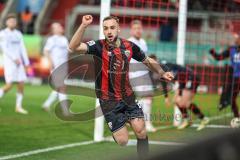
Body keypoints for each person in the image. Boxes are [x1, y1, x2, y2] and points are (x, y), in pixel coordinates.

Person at [68, 15, 174, 159]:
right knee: (123, 141)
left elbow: (147, 60)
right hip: (108, 100)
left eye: (112, 28)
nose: (109, 31)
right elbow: (73, 47)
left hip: (128, 96)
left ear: (118, 29)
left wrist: (161, 72)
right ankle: (119, 123)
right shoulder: (97, 46)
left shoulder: (129, 46)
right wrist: (83, 25)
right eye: (105, 28)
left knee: (141, 131)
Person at [149, 55, 209, 131]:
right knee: (177, 101)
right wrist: (166, 97)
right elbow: (163, 82)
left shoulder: (166, 66)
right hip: (183, 81)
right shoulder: (159, 70)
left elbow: (181, 76)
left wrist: (180, 93)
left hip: (191, 78)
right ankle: (187, 120)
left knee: (186, 103)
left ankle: (203, 118)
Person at [128, 20, 156, 132]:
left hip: (144, 74)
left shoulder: (143, 42)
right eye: (135, 28)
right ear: (131, 30)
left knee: (147, 98)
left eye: (139, 28)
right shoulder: (129, 42)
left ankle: (137, 120)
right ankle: (146, 123)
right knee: (146, 98)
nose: (138, 30)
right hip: (135, 74)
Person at [0, 14, 30, 114]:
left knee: (21, 83)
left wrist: (26, 62)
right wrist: (14, 58)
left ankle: (18, 107)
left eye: (14, 21)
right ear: (6, 22)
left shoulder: (18, 34)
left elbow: (23, 49)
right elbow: (5, 48)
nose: (12, 22)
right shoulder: (3, 34)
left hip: (19, 63)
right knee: (9, 85)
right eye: (10, 21)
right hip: (10, 63)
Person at [209, 33, 240, 119]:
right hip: (236, 78)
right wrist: (213, 52)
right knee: (231, 98)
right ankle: (237, 117)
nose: (235, 40)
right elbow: (219, 57)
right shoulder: (231, 49)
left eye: (237, 38)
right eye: (235, 38)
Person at [42, 23, 69, 114]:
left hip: (63, 66)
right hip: (56, 66)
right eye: (58, 26)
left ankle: (46, 104)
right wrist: (51, 62)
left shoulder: (64, 39)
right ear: (54, 30)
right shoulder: (52, 39)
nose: (61, 27)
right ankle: (65, 110)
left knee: (58, 88)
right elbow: (46, 51)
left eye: (60, 26)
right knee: (62, 87)